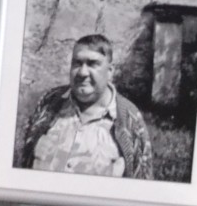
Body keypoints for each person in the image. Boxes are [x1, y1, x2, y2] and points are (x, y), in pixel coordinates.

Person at [16, 34, 153, 178]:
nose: (82, 72)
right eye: (77, 63)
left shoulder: (129, 119)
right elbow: (25, 160)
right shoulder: (50, 102)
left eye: (92, 64)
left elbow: (141, 182)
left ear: (110, 72)